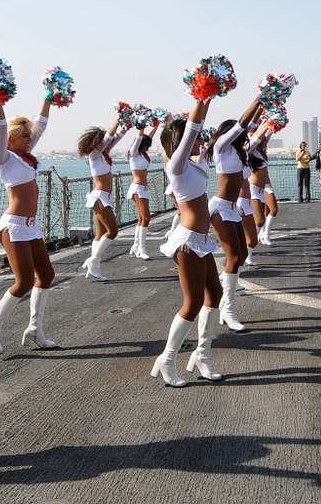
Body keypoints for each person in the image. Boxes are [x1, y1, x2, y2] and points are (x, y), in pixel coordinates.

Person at [153, 97, 225, 386]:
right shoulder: (177, 167)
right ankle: (168, 359)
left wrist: (207, 101)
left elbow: (201, 127)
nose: (199, 140)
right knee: (192, 302)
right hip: (187, 242)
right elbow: (194, 127)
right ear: (181, 141)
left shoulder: (195, 164)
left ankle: (202, 355)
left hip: (200, 240)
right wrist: (201, 95)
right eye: (193, 138)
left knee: (214, 294)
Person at [0, 94, 58, 354]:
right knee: (23, 281)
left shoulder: (26, 156)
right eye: (23, 136)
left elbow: (41, 125)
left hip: (31, 226)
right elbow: (0, 127)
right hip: (13, 226)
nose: (29, 138)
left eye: (29, 136)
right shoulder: (3, 158)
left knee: (46, 275)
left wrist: (47, 98)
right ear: (11, 139)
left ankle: (35, 328)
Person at [208, 96, 263, 334]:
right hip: (220, 208)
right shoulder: (221, 147)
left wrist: (267, 106)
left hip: (233, 209)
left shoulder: (240, 153)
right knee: (232, 258)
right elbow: (244, 121)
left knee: (240, 256)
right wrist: (260, 95)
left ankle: (223, 296)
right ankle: (227, 311)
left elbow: (255, 128)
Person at [80, 116, 126, 281]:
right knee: (112, 232)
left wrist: (126, 126)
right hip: (99, 197)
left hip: (105, 197)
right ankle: (92, 261)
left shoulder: (103, 154)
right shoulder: (94, 155)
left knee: (99, 235)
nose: (104, 143)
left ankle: (94, 267)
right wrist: (119, 117)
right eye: (101, 142)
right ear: (95, 143)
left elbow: (115, 138)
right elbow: (109, 137)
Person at [127, 119, 159, 261]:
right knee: (146, 218)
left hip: (143, 188)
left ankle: (135, 246)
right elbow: (141, 138)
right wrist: (141, 126)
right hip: (137, 188)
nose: (148, 147)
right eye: (146, 146)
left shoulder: (143, 154)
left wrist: (156, 125)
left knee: (142, 218)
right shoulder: (134, 153)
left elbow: (148, 137)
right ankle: (141, 248)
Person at [248, 128, 279, 245]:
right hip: (254, 188)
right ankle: (252, 241)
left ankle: (264, 234)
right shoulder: (250, 152)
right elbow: (254, 139)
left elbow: (268, 134)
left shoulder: (262, 152)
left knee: (272, 210)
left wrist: (272, 124)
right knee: (260, 219)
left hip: (266, 185)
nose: (264, 139)